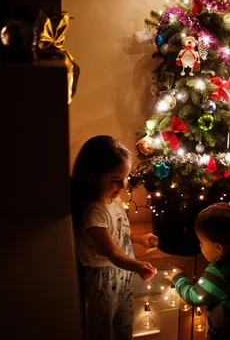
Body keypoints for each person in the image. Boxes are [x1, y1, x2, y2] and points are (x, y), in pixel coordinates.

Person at [71, 135, 158, 340]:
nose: (122, 186)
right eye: (115, 180)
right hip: (104, 278)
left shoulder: (113, 197)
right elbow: (110, 251)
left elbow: (118, 232)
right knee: (103, 327)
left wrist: (138, 239)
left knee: (124, 321)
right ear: (92, 179)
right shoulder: (94, 212)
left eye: (125, 178)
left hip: (123, 271)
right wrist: (137, 266)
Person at [169, 203, 230, 339]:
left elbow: (194, 296)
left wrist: (177, 277)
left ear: (218, 247)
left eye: (202, 242)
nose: (199, 245)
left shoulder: (217, 272)